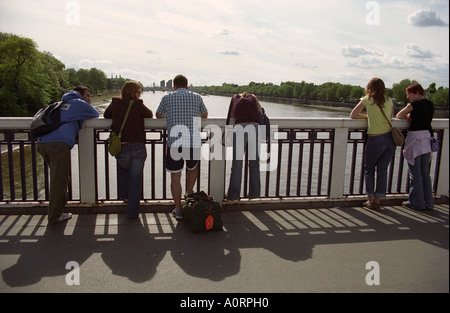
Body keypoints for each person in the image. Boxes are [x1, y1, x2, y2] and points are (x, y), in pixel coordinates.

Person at [37, 86, 99, 224]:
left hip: (42, 144)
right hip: (58, 145)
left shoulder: (58, 104)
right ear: (80, 95)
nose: (89, 99)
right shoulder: (77, 103)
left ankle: (58, 210)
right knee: (59, 181)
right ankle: (55, 216)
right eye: (87, 96)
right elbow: (95, 113)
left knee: (58, 178)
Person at [156, 74, 208, 220]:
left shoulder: (167, 97)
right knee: (192, 169)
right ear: (187, 86)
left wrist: (170, 115)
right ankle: (188, 199)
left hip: (175, 142)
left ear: (174, 86)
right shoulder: (197, 97)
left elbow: (158, 115)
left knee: (175, 176)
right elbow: (205, 113)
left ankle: (178, 209)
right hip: (192, 142)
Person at [104, 81, 153, 218]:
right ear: (133, 93)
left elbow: (107, 115)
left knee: (122, 169)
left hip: (122, 146)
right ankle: (132, 212)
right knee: (136, 178)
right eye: (138, 92)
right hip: (138, 147)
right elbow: (149, 114)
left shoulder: (115, 103)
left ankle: (125, 196)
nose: (140, 94)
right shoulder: (138, 104)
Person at [350, 78, 395, 209]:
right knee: (382, 170)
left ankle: (370, 199)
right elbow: (391, 116)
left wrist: (368, 117)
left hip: (375, 139)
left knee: (369, 169)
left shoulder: (367, 99)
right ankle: (378, 200)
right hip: (389, 139)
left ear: (369, 87)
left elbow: (353, 115)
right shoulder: (389, 99)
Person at [396, 83, 434, 210]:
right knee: (425, 173)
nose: (408, 97)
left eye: (409, 94)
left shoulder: (414, 105)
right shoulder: (430, 104)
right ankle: (429, 202)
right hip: (427, 139)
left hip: (415, 140)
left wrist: (408, 115)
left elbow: (398, 116)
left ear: (417, 92)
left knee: (415, 174)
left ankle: (416, 202)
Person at [225, 92, 264, 202]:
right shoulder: (253, 97)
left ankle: (233, 195)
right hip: (255, 129)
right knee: (254, 164)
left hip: (240, 130)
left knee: (237, 164)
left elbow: (232, 116)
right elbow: (260, 112)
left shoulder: (234, 98)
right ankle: (254, 194)